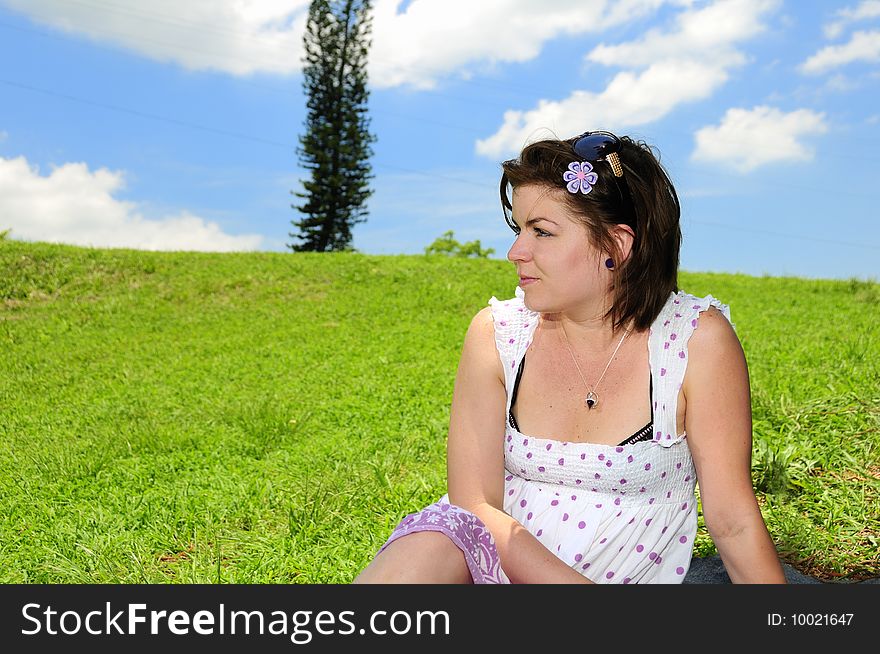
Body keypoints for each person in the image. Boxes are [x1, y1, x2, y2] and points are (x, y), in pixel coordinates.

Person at [353, 130, 787, 584]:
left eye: (542, 231)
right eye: (519, 229)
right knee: (433, 539)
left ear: (616, 246)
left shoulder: (694, 341)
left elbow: (733, 522)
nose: (516, 252)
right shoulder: (498, 334)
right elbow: (473, 508)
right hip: (488, 570)